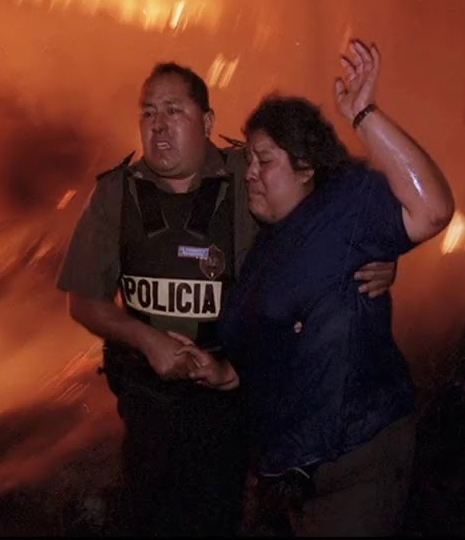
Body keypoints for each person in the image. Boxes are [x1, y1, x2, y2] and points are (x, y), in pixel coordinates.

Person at [56, 61, 398, 536]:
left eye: (174, 111)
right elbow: (83, 300)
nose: (159, 125)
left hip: (232, 393)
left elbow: (329, 206)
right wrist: (145, 339)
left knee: (218, 512)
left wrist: (377, 255)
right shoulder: (117, 194)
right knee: (146, 510)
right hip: (147, 399)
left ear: (208, 123)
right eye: (149, 112)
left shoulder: (248, 176)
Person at [176, 39, 455, 536]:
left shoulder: (346, 205)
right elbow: (274, 347)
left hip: (355, 458)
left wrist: (364, 113)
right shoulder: (265, 250)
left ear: (306, 169)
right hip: (288, 471)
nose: (251, 174)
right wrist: (221, 372)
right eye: (249, 162)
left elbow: (432, 209)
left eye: (265, 160)